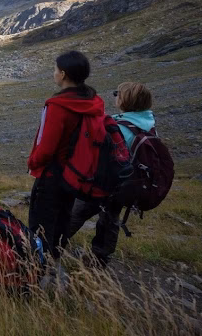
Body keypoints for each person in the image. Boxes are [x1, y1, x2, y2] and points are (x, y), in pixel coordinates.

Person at [27, 50, 104, 268]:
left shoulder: (58, 106)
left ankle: (38, 268)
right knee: (63, 218)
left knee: (41, 224)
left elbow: (47, 147)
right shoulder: (92, 101)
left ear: (63, 74)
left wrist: (32, 162)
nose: (53, 73)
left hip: (52, 174)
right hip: (75, 174)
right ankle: (56, 260)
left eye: (55, 69)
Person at [66, 82, 155, 267]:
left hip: (103, 183)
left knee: (76, 213)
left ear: (126, 100)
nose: (115, 96)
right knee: (110, 219)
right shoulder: (148, 124)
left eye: (118, 93)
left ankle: (48, 246)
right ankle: (100, 259)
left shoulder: (119, 126)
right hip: (127, 186)